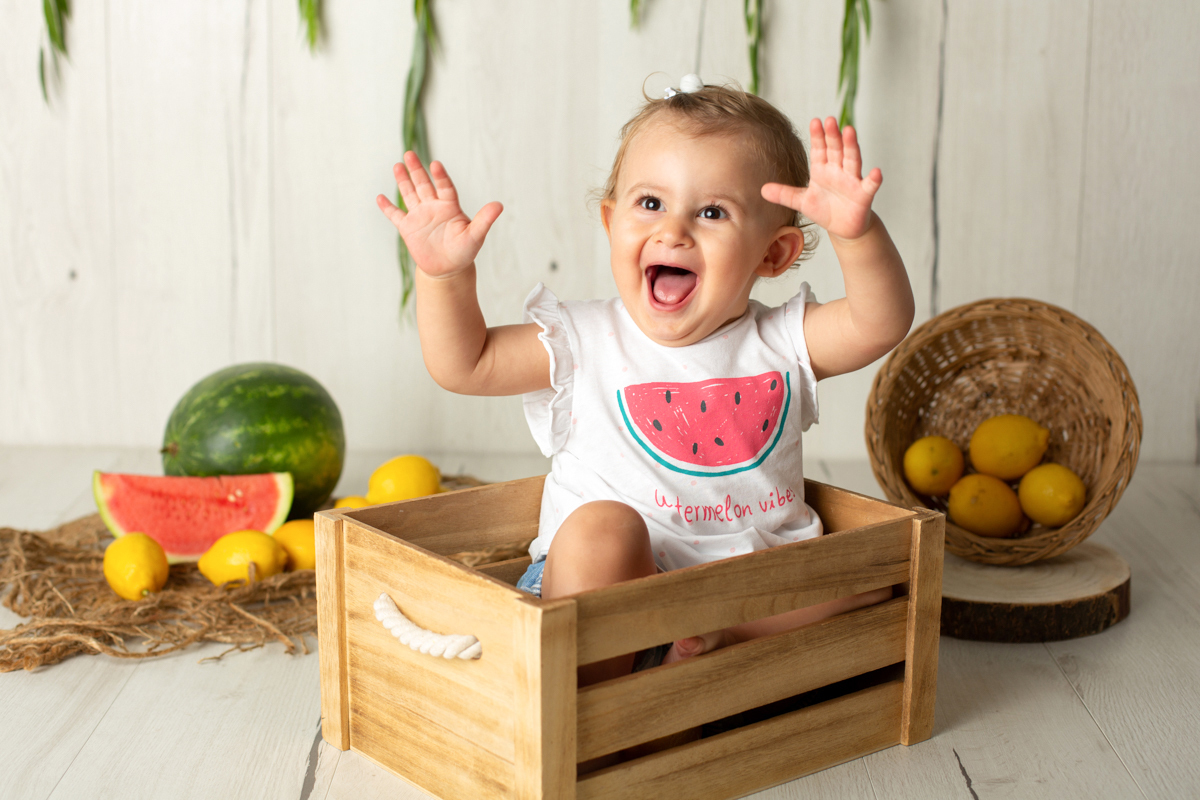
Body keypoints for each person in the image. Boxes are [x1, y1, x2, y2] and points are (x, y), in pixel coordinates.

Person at [377, 77, 914, 686]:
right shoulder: (582, 337)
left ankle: (714, 641)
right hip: (601, 594)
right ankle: (593, 703)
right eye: (651, 203)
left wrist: (858, 236)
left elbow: (880, 322)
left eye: (712, 212)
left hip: (752, 585)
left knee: (874, 580)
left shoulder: (785, 342)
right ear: (611, 222)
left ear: (773, 255)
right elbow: (464, 363)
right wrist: (445, 278)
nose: (674, 230)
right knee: (600, 528)